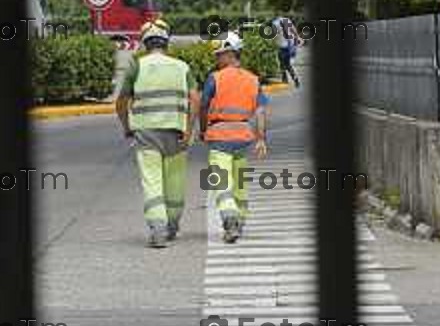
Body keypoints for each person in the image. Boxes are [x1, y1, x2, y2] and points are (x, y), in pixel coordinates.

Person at [116, 20, 200, 248]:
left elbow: (121, 102)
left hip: (146, 133)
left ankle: (157, 229)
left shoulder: (136, 66)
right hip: (176, 131)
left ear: (144, 44)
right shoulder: (182, 67)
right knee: (175, 180)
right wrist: (189, 130)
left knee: (152, 180)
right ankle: (172, 224)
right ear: (166, 42)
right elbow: (195, 100)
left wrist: (126, 126)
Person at [200, 32, 270, 243]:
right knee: (239, 182)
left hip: (220, 137)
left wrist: (203, 130)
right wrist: (260, 138)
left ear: (230, 53)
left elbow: (203, 106)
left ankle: (230, 220)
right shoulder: (252, 80)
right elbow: (260, 112)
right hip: (243, 138)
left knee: (221, 182)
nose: (217, 58)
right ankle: (240, 220)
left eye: (219, 54)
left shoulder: (215, 78)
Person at [272, 16, 303, 87]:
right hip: (289, 46)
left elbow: (274, 35)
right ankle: (294, 79)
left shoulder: (275, 23)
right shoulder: (287, 20)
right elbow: (294, 31)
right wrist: (297, 38)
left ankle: (285, 79)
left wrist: (273, 43)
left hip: (281, 46)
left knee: (282, 63)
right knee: (287, 64)